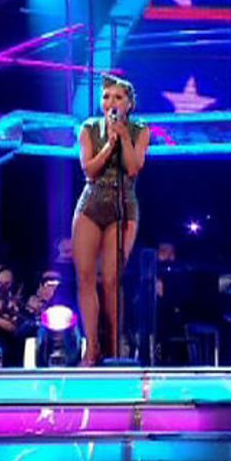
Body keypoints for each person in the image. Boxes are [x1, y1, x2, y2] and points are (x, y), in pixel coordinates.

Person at [71, 75, 150, 365]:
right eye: (106, 97)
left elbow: (133, 167)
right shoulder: (89, 128)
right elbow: (89, 170)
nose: (111, 102)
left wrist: (123, 137)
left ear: (129, 104)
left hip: (123, 206)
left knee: (110, 280)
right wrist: (109, 145)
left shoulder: (140, 130)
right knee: (85, 277)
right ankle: (92, 348)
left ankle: (115, 349)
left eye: (117, 97)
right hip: (91, 204)